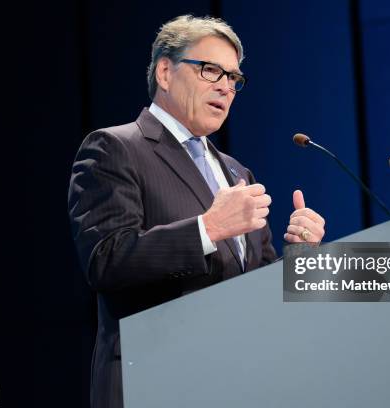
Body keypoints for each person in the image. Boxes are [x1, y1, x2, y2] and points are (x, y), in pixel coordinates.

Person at [68, 15, 326, 408]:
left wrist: (301, 255)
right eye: (211, 70)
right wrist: (207, 228)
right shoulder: (114, 148)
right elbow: (106, 260)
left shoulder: (237, 172)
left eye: (234, 78)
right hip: (153, 379)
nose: (225, 86)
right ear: (166, 72)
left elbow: (256, 290)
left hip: (235, 382)